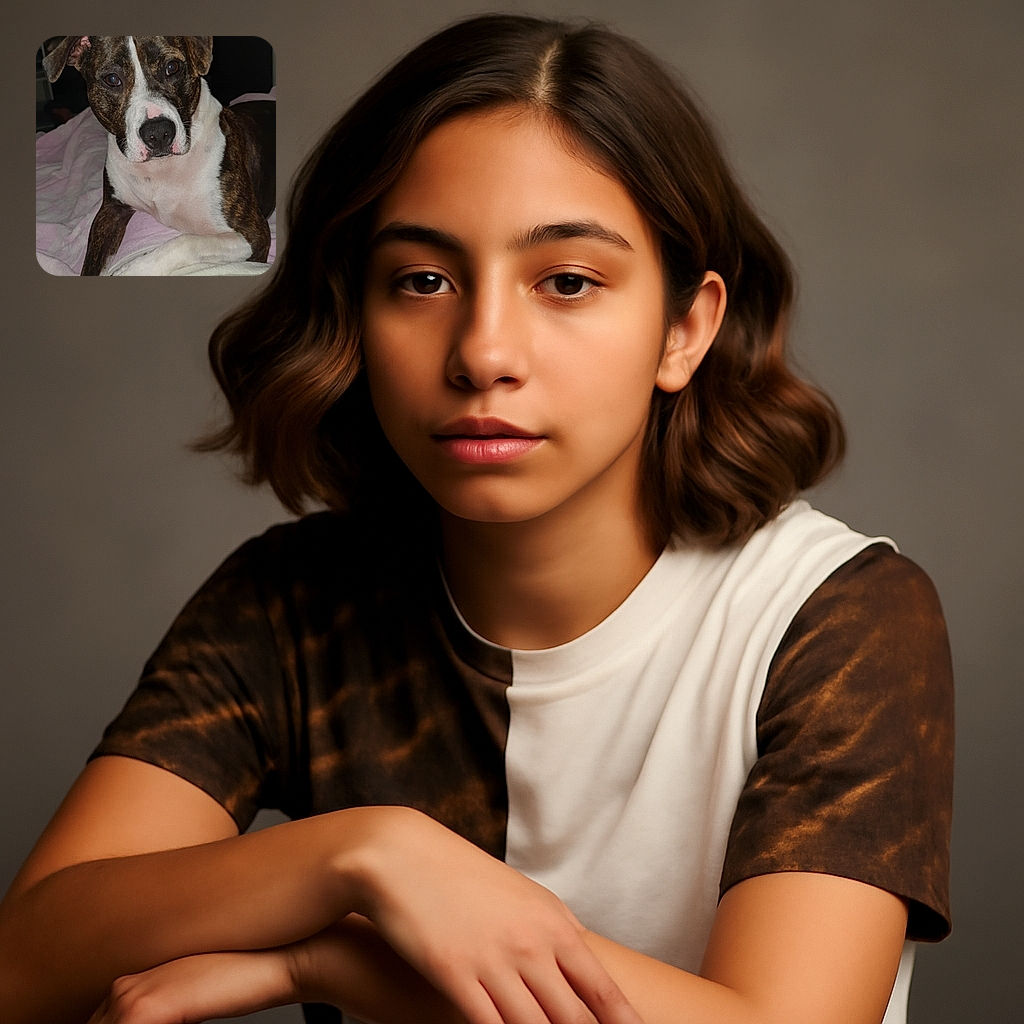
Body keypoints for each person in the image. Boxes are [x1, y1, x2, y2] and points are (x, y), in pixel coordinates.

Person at [0, 13, 953, 1024]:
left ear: (685, 329)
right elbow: (22, 966)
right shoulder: (291, 607)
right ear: (354, 313)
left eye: (568, 282)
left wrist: (328, 962)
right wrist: (362, 853)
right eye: (422, 280)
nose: (483, 350)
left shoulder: (835, 617)